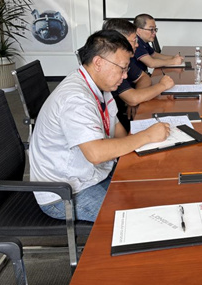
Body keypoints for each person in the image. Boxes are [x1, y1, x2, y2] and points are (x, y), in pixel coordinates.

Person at [29, 30, 171, 221]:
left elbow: (117, 129)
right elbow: (96, 154)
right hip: (66, 193)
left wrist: (140, 147)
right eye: (122, 68)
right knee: (140, 219)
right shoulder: (76, 98)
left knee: (154, 190)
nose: (125, 76)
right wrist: (146, 136)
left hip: (95, 174)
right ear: (98, 63)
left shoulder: (99, 85)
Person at [102, 18, 175, 131]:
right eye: (134, 40)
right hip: (120, 117)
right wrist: (162, 86)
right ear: (118, 41)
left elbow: (144, 78)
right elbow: (132, 98)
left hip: (123, 117)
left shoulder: (126, 59)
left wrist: (137, 97)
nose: (137, 45)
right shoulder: (110, 64)